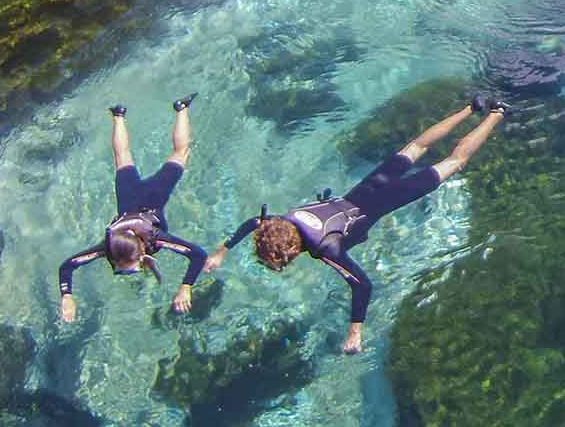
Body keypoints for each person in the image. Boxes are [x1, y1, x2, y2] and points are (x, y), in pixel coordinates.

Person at [203, 95, 508, 353]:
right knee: (416, 146)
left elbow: (362, 285)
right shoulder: (282, 221)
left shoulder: (326, 249)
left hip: (388, 198)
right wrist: (222, 251)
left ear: (291, 251)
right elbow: (253, 223)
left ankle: (498, 112)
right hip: (370, 185)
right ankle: (472, 107)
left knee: (455, 162)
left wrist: (355, 332)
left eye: (277, 262)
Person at [58, 94, 206, 322]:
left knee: (181, 153)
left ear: (141, 252)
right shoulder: (108, 246)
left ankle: (182, 108)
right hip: (128, 199)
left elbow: (199, 255)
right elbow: (67, 265)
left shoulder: (157, 238)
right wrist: (67, 296)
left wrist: (186, 286)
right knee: (122, 157)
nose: (126, 271)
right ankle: (118, 115)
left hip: (155, 195)